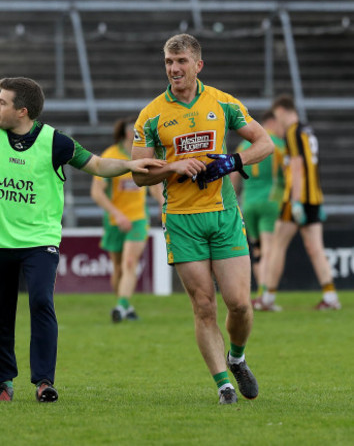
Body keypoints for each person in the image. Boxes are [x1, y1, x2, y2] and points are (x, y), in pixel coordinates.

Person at [0, 75, 165, 402]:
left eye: (2, 102)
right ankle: (4, 383)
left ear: (21, 111)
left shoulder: (56, 142)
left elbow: (96, 164)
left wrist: (130, 164)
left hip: (39, 240)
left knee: (41, 301)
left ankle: (44, 382)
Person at [131, 34, 274, 404]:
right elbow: (139, 174)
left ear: (198, 65)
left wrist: (232, 161)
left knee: (240, 303)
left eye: (180, 61)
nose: (174, 69)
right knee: (204, 304)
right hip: (181, 219)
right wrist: (173, 166)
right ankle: (224, 385)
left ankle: (237, 357)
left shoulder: (223, 102)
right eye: (168, 62)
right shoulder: (151, 115)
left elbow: (264, 143)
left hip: (223, 215)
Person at [259, 95, 341, 311]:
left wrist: (295, 202)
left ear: (284, 112)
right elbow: (312, 166)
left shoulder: (293, 132)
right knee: (316, 248)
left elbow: (297, 166)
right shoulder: (307, 130)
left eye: (277, 116)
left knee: (277, 245)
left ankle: (267, 298)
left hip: (297, 197)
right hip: (313, 197)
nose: (277, 122)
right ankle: (331, 296)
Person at [90, 116, 164, 323]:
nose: (135, 132)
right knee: (119, 268)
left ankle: (121, 306)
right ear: (124, 131)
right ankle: (124, 305)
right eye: (132, 128)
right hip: (115, 221)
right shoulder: (110, 156)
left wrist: (161, 202)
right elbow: (97, 192)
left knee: (130, 262)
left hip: (138, 219)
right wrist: (116, 214)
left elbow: (153, 185)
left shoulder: (145, 155)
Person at [229, 110, 286, 309]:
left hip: (248, 202)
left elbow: (234, 175)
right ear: (271, 121)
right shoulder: (277, 145)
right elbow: (289, 173)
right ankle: (265, 294)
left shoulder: (244, 145)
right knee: (270, 247)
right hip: (271, 200)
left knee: (257, 249)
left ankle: (260, 294)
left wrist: (233, 199)